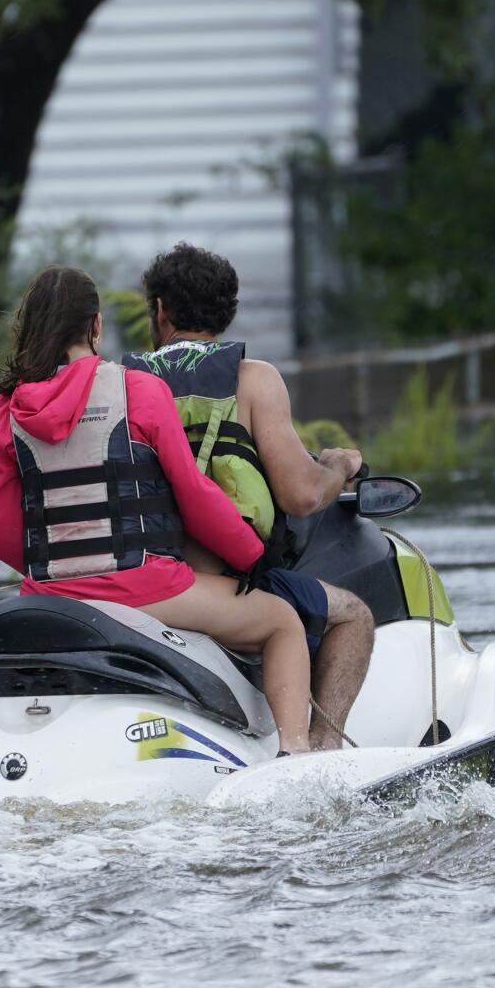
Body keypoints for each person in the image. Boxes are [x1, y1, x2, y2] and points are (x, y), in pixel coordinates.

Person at [0, 264, 317, 754]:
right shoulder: (136, 389)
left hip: (50, 594)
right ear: (96, 326)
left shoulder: (6, 409)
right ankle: (296, 757)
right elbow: (194, 496)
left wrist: (64, 571)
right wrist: (249, 556)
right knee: (282, 621)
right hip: (144, 587)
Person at [124, 243, 374, 749]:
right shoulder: (253, 380)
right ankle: (322, 750)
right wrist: (337, 466)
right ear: (227, 313)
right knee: (353, 615)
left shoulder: (123, 384)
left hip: (137, 576)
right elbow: (301, 496)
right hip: (216, 582)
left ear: (159, 311)